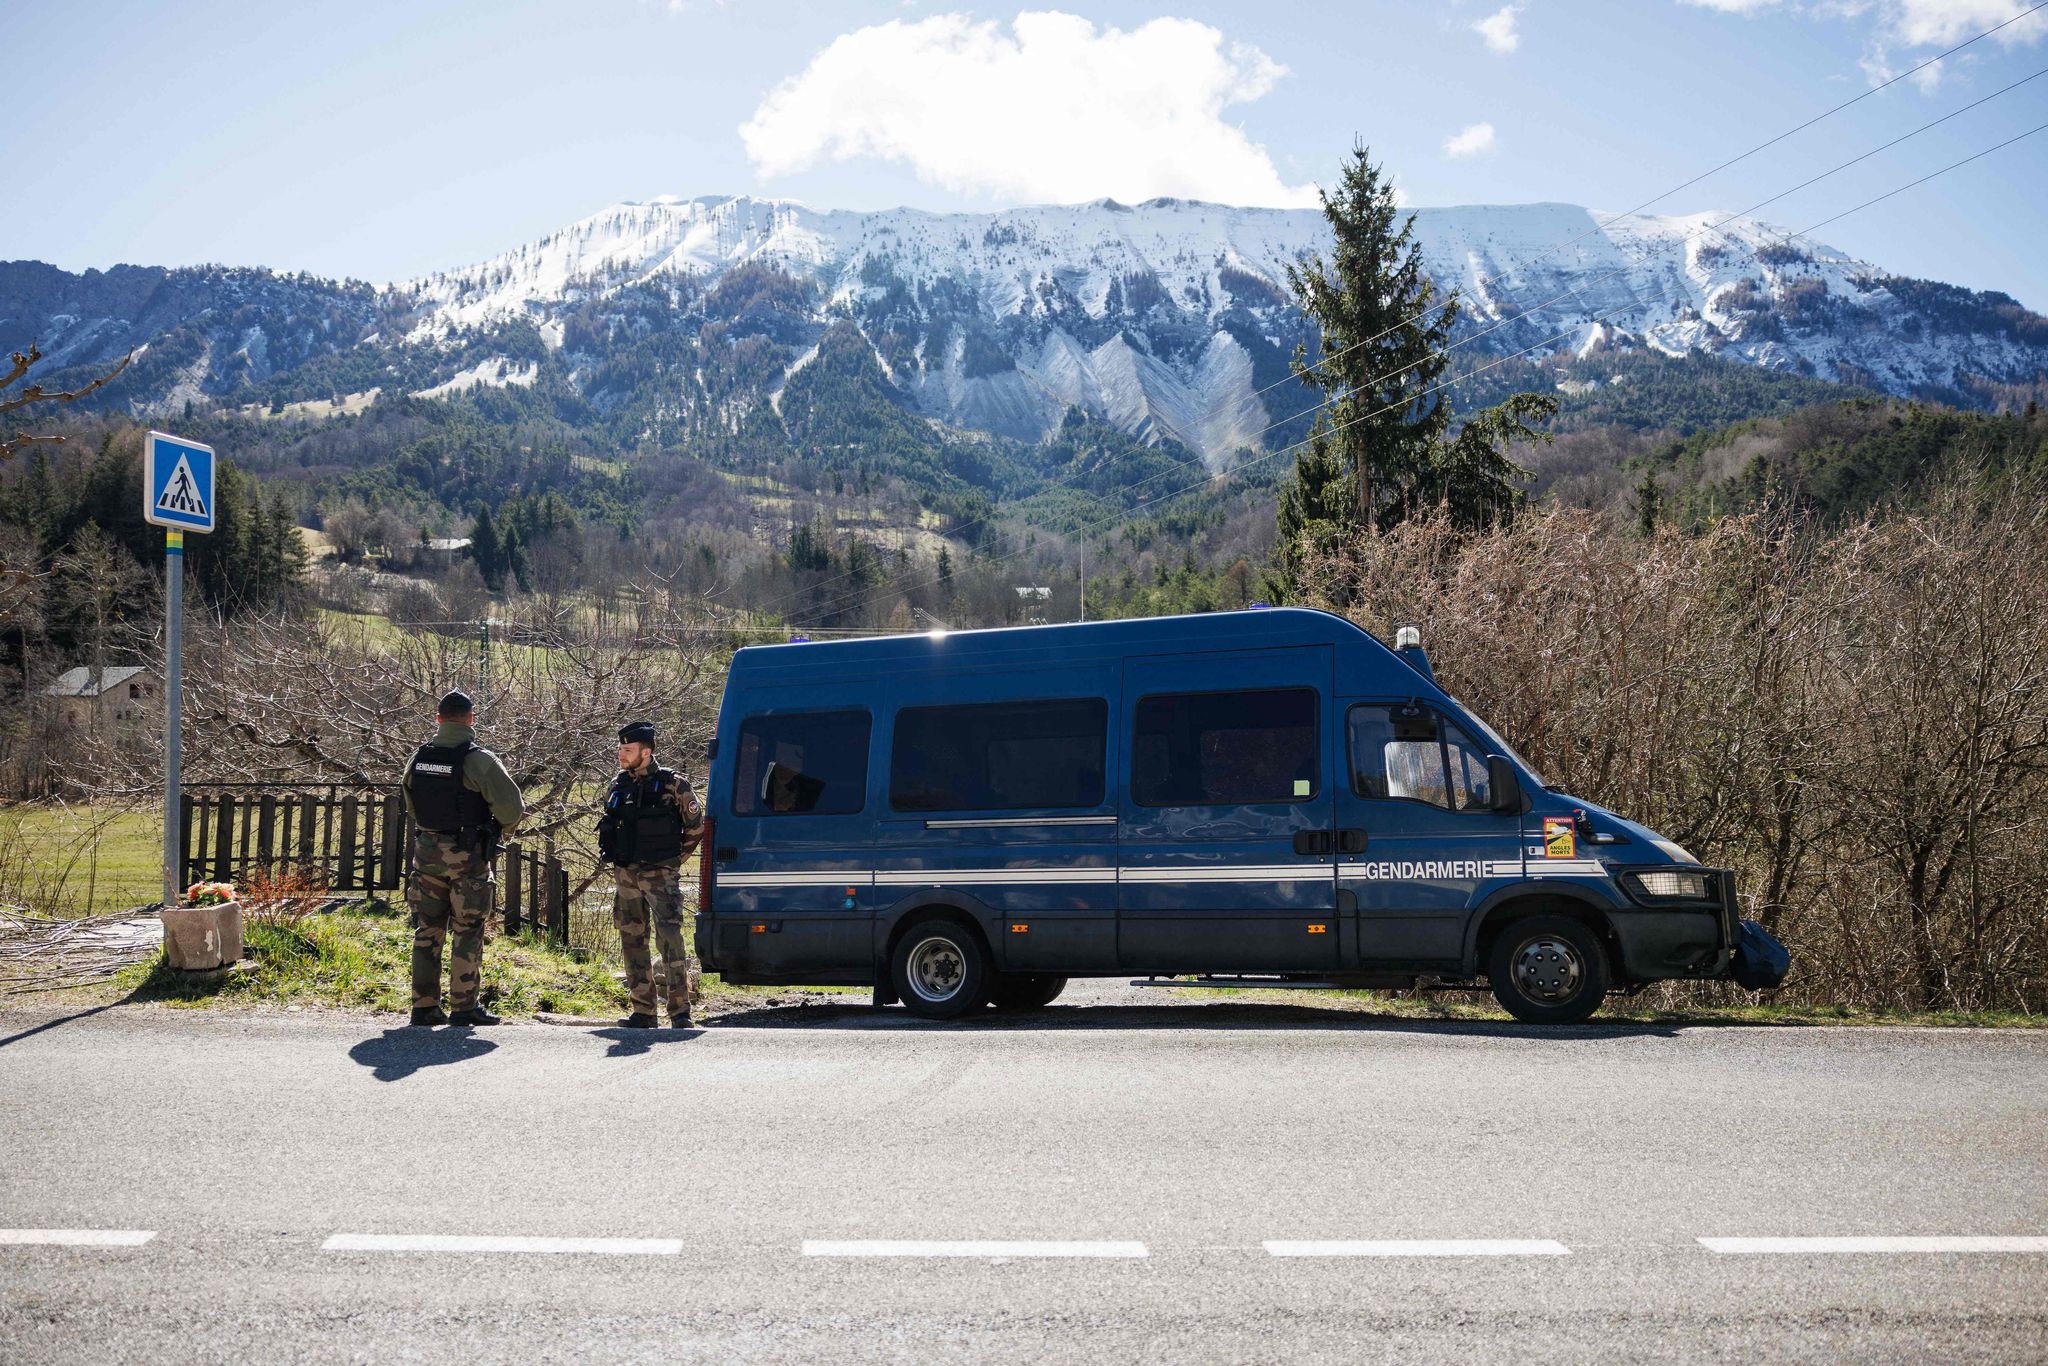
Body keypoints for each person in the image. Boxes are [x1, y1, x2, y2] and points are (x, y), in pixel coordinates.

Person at [399, 690, 525, 1027]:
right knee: (468, 927)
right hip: (467, 855)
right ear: (471, 718)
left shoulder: (418, 757)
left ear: (438, 719)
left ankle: (423, 1007)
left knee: (427, 928)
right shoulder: (478, 760)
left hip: (425, 853)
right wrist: (499, 830)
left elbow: (409, 800)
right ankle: (464, 1006)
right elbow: (512, 807)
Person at [600, 720, 705, 1028]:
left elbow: (696, 827)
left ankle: (679, 1011)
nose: (621, 754)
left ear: (646, 752)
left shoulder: (674, 784)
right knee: (632, 940)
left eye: (628, 749)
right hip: (626, 876)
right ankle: (643, 1011)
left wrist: (673, 860)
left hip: (661, 875)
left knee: (670, 940)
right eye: (620, 748)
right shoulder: (618, 784)